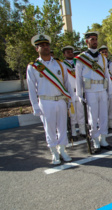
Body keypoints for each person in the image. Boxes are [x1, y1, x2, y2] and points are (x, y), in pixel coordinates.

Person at [27, 34, 74, 164]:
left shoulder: (59, 64)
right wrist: (35, 106)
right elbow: (31, 89)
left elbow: (67, 83)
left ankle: (63, 150)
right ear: (37, 49)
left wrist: (70, 98)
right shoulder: (33, 66)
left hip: (60, 100)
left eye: (47, 45)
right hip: (45, 101)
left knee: (62, 127)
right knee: (50, 128)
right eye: (42, 45)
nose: (45, 47)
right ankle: (54, 152)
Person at [75, 31, 112, 153]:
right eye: (92, 39)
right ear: (86, 41)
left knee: (103, 116)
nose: (95, 41)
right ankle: (95, 140)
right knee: (93, 117)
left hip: (102, 89)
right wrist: (79, 95)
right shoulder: (81, 58)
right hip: (90, 90)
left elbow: (107, 75)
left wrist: (110, 91)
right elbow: (78, 78)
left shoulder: (102, 57)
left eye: (96, 39)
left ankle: (103, 139)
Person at [62, 45, 86, 140]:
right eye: (68, 52)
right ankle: (73, 132)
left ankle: (82, 130)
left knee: (81, 112)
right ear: (64, 54)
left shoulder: (78, 62)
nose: (70, 53)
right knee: (72, 113)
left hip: (79, 90)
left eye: (71, 51)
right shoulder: (62, 64)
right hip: (70, 92)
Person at [99, 45, 112, 130]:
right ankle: (104, 123)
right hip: (102, 86)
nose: (104, 53)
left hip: (110, 86)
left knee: (111, 104)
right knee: (103, 106)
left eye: (105, 52)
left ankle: (110, 121)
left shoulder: (111, 63)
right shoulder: (98, 62)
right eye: (102, 52)